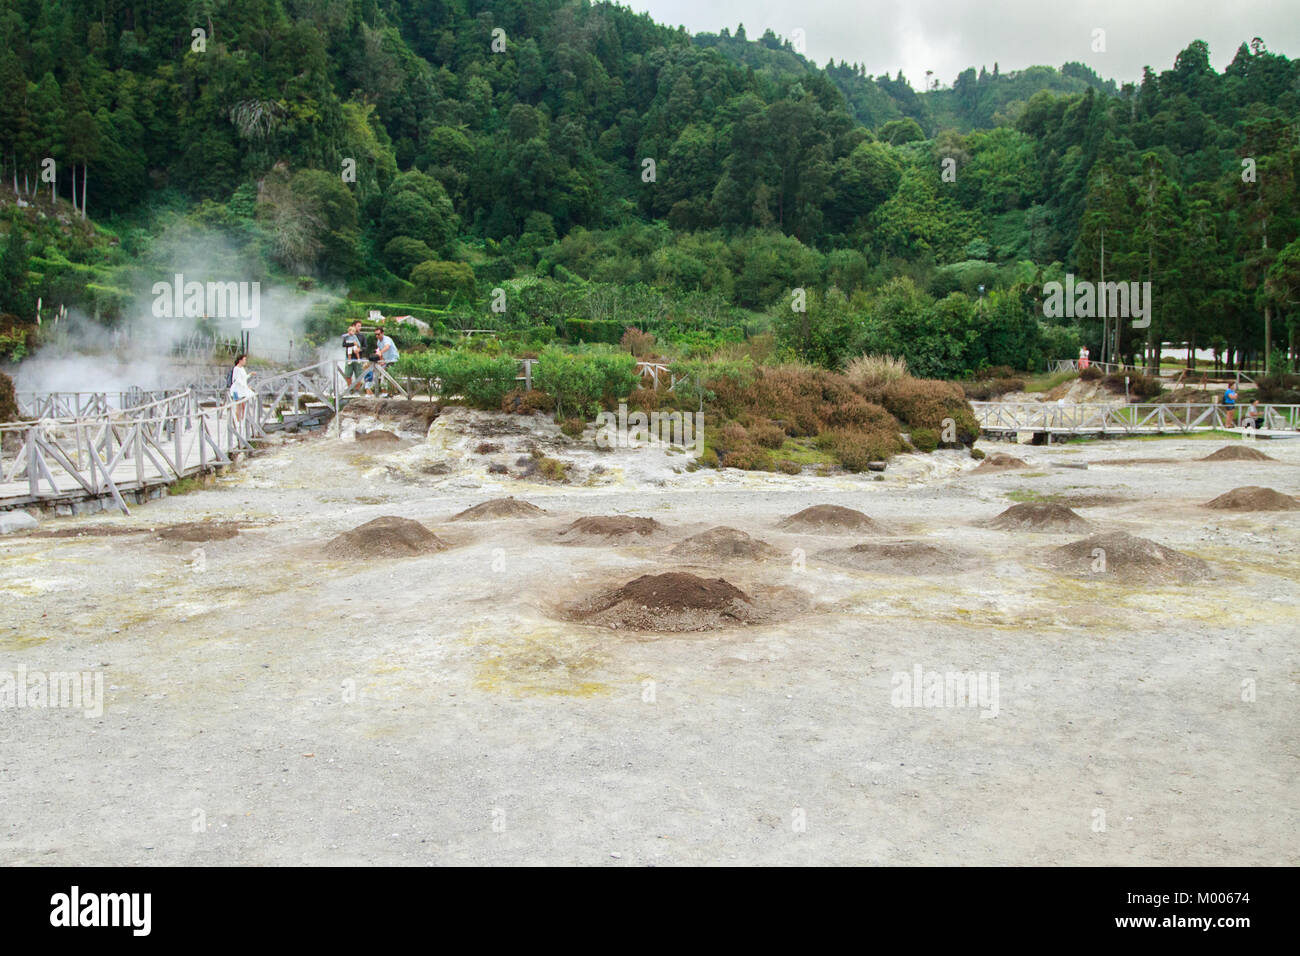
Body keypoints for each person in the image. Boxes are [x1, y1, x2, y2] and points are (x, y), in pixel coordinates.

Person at [369, 327, 399, 397]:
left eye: (378, 334)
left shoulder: (387, 339)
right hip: (386, 360)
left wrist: (380, 352)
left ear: (382, 333)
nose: (377, 336)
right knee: (385, 375)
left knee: (387, 375)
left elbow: (387, 347)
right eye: (375, 334)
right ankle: (391, 392)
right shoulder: (378, 342)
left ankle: (390, 392)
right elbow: (381, 352)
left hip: (393, 359)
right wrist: (382, 361)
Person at [229, 354, 253, 423]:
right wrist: (246, 387)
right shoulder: (236, 368)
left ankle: (243, 420)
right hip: (236, 390)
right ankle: (238, 421)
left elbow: (244, 378)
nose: (245, 361)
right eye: (244, 360)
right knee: (238, 405)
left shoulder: (242, 368)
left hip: (242, 390)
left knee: (243, 405)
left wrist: (250, 374)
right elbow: (238, 380)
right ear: (240, 360)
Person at [342, 320, 363, 389]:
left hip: (357, 358)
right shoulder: (347, 336)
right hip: (349, 358)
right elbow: (344, 344)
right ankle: (350, 389)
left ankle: (357, 390)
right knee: (348, 375)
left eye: (360, 326)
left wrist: (359, 349)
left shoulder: (361, 336)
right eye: (358, 326)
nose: (360, 328)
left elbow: (365, 347)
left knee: (359, 375)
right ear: (353, 326)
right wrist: (352, 344)